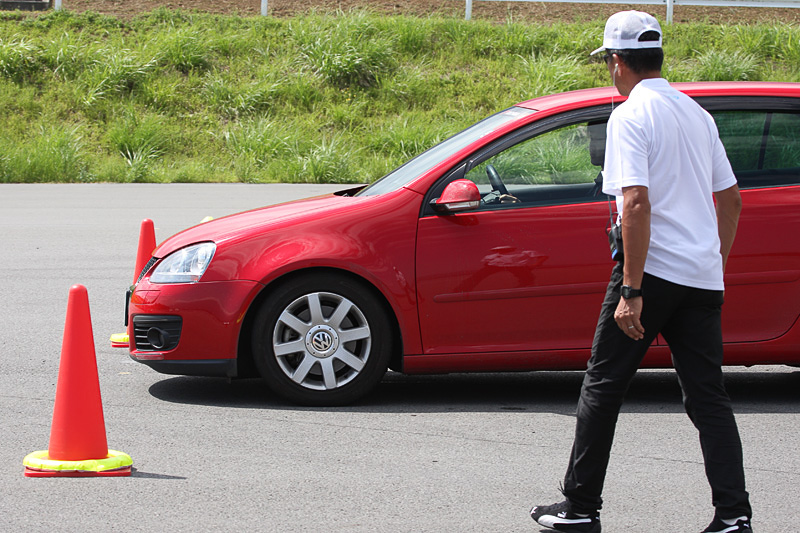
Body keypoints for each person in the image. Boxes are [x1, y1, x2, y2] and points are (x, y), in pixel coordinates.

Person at [529, 11, 752, 533]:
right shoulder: (697, 115)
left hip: (649, 274)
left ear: (616, 61)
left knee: (603, 387)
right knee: (708, 397)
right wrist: (712, 260)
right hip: (700, 275)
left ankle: (581, 508)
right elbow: (732, 199)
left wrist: (632, 287)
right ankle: (733, 515)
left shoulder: (630, 116)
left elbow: (634, 202)